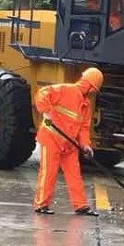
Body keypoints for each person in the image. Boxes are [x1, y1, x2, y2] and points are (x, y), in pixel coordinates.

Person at [32, 67, 104, 216]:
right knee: (48, 172)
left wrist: (85, 145)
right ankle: (41, 204)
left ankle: (81, 206)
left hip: (69, 144)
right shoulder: (65, 90)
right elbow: (42, 93)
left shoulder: (85, 105)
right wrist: (47, 110)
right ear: (90, 85)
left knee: (74, 174)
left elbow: (84, 127)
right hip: (51, 138)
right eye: (93, 89)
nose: (93, 92)